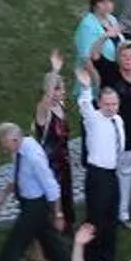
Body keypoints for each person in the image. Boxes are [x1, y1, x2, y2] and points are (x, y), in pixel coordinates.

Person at [0, 122, 69, 261]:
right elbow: (18, 176)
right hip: (27, 203)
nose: (2, 149)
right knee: (52, 244)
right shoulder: (19, 150)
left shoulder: (33, 156)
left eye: (4, 144)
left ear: (14, 140)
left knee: (12, 248)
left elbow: (51, 186)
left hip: (35, 207)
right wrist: (3, 195)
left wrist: (58, 214)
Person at [80, 83, 127, 250]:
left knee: (111, 214)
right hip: (97, 174)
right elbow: (85, 106)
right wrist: (86, 88)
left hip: (112, 173)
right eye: (107, 104)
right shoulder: (94, 119)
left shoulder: (118, 120)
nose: (111, 108)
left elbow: (119, 145)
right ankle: (92, 257)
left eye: (114, 104)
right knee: (96, 217)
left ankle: (108, 256)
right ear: (99, 103)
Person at [35, 59, 75, 231]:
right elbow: (48, 96)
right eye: (58, 89)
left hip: (63, 160)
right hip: (50, 162)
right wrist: (54, 71)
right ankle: (50, 234)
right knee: (53, 198)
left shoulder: (61, 106)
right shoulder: (43, 110)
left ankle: (66, 229)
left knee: (66, 195)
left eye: (63, 88)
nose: (61, 92)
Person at [76, 0, 125, 83]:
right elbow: (85, 56)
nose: (107, 6)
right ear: (94, 5)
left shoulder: (112, 19)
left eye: (110, 2)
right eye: (102, 2)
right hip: (95, 73)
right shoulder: (87, 24)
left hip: (113, 70)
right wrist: (95, 77)